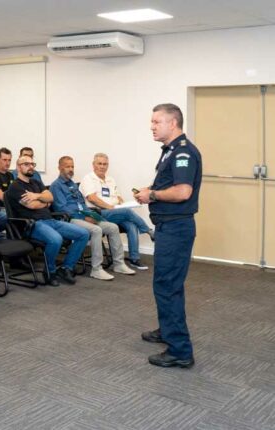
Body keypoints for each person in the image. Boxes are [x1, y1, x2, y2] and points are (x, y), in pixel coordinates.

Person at [135, 103, 202, 369]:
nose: (151, 126)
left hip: (176, 228)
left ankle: (180, 350)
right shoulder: (170, 151)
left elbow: (183, 192)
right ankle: (167, 330)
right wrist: (150, 189)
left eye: (156, 122)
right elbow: (168, 184)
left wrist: (151, 195)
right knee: (165, 284)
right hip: (168, 227)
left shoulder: (183, 152)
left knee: (168, 286)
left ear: (172, 123)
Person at [5, 155, 89, 286]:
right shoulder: (15, 187)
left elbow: (50, 197)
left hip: (50, 220)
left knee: (83, 234)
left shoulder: (36, 182)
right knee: (56, 239)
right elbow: (32, 205)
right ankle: (49, 272)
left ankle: (66, 268)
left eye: (32, 164)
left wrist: (37, 196)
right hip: (32, 224)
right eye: (26, 164)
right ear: (18, 167)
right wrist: (45, 202)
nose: (30, 166)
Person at [50, 156, 135, 281]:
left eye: (72, 166)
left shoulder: (72, 184)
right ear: (59, 168)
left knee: (113, 227)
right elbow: (62, 209)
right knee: (96, 230)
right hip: (70, 219)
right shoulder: (56, 186)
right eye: (67, 166)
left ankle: (119, 264)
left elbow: (82, 204)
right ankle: (96, 269)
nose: (71, 169)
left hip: (83, 216)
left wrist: (89, 214)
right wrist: (83, 217)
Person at [80, 153, 154, 270]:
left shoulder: (110, 179)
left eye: (105, 164)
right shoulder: (88, 178)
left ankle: (134, 259)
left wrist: (121, 204)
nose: (102, 166)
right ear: (93, 165)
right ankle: (148, 231)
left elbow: (118, 197)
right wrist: (109, 207)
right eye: (99, 164)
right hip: (98, 213)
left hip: (114, 212)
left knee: (131, 225)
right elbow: (92, 198)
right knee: (127, 212)